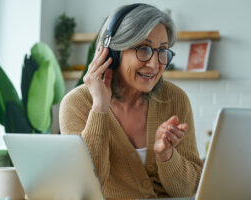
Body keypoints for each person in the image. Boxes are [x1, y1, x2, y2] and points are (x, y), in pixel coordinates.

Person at [59, 3, 203, 199]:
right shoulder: (77, 104)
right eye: (144, 49)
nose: (154, 65)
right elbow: (87, 187)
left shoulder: (175, 99)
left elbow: (190, 190)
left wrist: (166, 155)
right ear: (113, 53)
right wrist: (99, 108)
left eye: (162, 51)